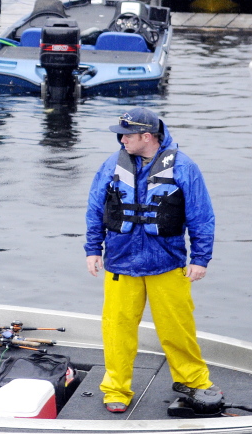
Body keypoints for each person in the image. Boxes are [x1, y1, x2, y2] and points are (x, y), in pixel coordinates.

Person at [85, 108, 217, 414]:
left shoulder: (184, 167)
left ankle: (194, 380)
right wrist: (93, 250)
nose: (121, 139)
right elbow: (95, 208)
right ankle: (116, 388)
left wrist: (200, 258)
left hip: (167, 263)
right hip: (120, 262)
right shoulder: (111, 165)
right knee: (117, 329)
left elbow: (202, 215)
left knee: (177, 327)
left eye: (127, 134)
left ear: (147, 136)